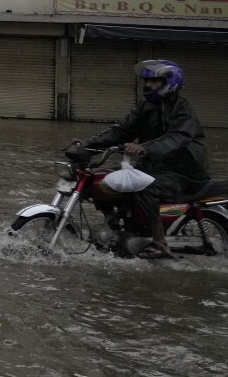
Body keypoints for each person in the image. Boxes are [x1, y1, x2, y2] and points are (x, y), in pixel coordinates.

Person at [80, 59, 209, 260]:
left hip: (184, 173)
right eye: (147, 81)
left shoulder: (182, 110)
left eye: (155, 81)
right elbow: (122, 130)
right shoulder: (146, 106)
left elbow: (176, 138)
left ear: (169, 82)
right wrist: (88, 147)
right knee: (99, 179)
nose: (148, 85)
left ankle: (160, 243)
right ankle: (116, 226)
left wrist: (144, 148)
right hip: (155, 167)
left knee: (143, 187)